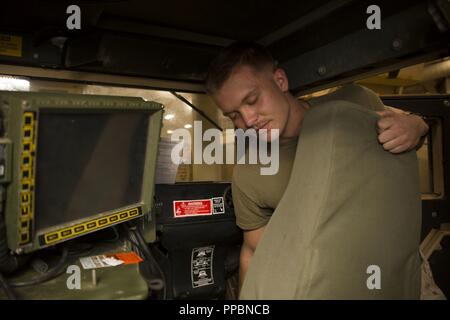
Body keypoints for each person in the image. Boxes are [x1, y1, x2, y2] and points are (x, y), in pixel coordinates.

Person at [205, 42, 429, 292]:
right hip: (331, 283)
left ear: (280, 81)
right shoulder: (249, 175)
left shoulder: (354, 102)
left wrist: (416, 126)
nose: (248, 120)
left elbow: (411, 129)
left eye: (253, 100)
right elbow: (255, 250)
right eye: (234, 115)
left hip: (399, 266)